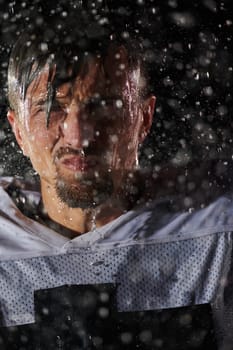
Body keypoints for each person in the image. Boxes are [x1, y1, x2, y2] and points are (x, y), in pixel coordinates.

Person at [0, 13, 233, 350]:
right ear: (18, 130)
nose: (79, 136)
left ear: (144, 118)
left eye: (104, 105)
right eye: (52, 107)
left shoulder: (217, 230)